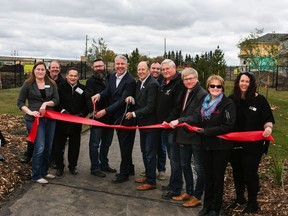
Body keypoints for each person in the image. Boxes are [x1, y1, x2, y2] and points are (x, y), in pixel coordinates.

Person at [228, 72, 275, 214]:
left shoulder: (260, 100)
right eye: (242, 81)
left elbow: (268, 119)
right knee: (237, 171)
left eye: (247, 81)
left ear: (251, 83)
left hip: (253, 145)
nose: (244, 84)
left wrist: (268, 128)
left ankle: (253, 202)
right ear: (238, 82)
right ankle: (240, 198)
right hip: (235, 144)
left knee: (250, 173)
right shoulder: (231, 100)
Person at [91, 55, 136, 184]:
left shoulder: (130, 80)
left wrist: (105, 111)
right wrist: (99, 95)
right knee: (124, 145)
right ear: (114, 65)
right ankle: (129, 168)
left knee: (125, 146)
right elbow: (108, 91)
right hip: (115, 117)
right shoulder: (112, 77)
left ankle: (124, 173)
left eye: (122, 64)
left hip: (125, 117)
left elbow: (122, 100)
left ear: (126, 65)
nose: (120, 66)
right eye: (118, 64)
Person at [197, 75, 236, 216]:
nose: (215, 88)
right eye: (212, 86)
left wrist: (207, 132)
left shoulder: (227, 103)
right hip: (206, 146)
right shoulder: (204, 101)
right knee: (208, 176)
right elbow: (198, 119)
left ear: (222, 87)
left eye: (218, 86)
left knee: (217, 177)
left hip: (221, 147)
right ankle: (206, 205)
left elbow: (228, 126)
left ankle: (215, 208)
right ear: (208, 87)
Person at [169, 68, 207, 207]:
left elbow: (197, 116)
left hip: (196, 136)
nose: (188, 81)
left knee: (198, 167)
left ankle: (197, 196)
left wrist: (178, 121)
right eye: (185, 79)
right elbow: (179, 109)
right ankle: (189, 192)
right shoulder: (185, 91)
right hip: (184, 135)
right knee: (184, 164)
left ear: (197, 78)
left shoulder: (202, 94)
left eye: (191, 78)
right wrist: (169, 120)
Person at [17, 61, 59, 184]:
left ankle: (44, 171)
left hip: (50, 119)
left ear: (46, 71)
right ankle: (36, 175)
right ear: (34, 71)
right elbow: (20, 103)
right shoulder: (28, 84)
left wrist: (45, 104)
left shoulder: (51, 83)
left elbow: (56, 100)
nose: (40, 71)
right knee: (39, 147)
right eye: (38, 69)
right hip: (34, 120)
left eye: (42, 69)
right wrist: (30, 112)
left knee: (48, 147)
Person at [125, 61, 159, 191]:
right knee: (144, 151)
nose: (140, 72)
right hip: (143, 124)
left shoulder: (152, 84)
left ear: (148, 70)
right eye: (139, 69)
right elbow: (139, 100)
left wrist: (133, 113)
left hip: (151, 125)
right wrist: (132, 99)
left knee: (150, 153)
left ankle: (151, 182)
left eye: (143, 69)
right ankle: (148, 175)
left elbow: (151, 107)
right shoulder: (140, 82)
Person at [156, 59, 185, 200]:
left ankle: (176, 188)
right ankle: (174, 183)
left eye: (168, 69)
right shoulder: (164, 82)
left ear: (174, 68)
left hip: (172, 127)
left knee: (175, 159)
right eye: (163, 69)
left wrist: (168, 121)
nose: (165, 71)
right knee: (171, 157)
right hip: (165, 127)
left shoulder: (179, 83)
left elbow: (177, 107)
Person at [53, 67, 88, 177]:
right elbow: (56, 102)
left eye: (75, 76)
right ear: (67, 76)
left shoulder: (83, 89)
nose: (73, 78)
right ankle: (59, 166)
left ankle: (73, 166)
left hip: (76, 122)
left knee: (75, 146)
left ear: (78, 77)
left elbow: (86, 105)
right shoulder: (59, 87)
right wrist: (62, 111)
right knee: (58, 146)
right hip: (62, 122)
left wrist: (82, 114)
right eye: (71, 75)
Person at [85, 59, 116, 178]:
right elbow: (88, 98)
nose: (98, 68)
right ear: (93, 68)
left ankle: (104, 164)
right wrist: (93, 111)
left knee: (106, 143)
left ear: (104, 66)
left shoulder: (111, 78)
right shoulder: (90, 82)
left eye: (100, 66)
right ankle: (95, 167)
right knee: (94, 144)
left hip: (110, 116)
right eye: (96, 66)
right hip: (97, 117)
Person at [149, 61, 166, 180]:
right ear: (150, 69)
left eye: (158, 69)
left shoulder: (164, 83)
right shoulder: (146, 81)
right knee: (149, 147)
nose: (155, 70)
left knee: (161, 146)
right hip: (149, 121)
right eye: (153, 68)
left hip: (160, 121)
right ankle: (149, 169)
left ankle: (161, 169)